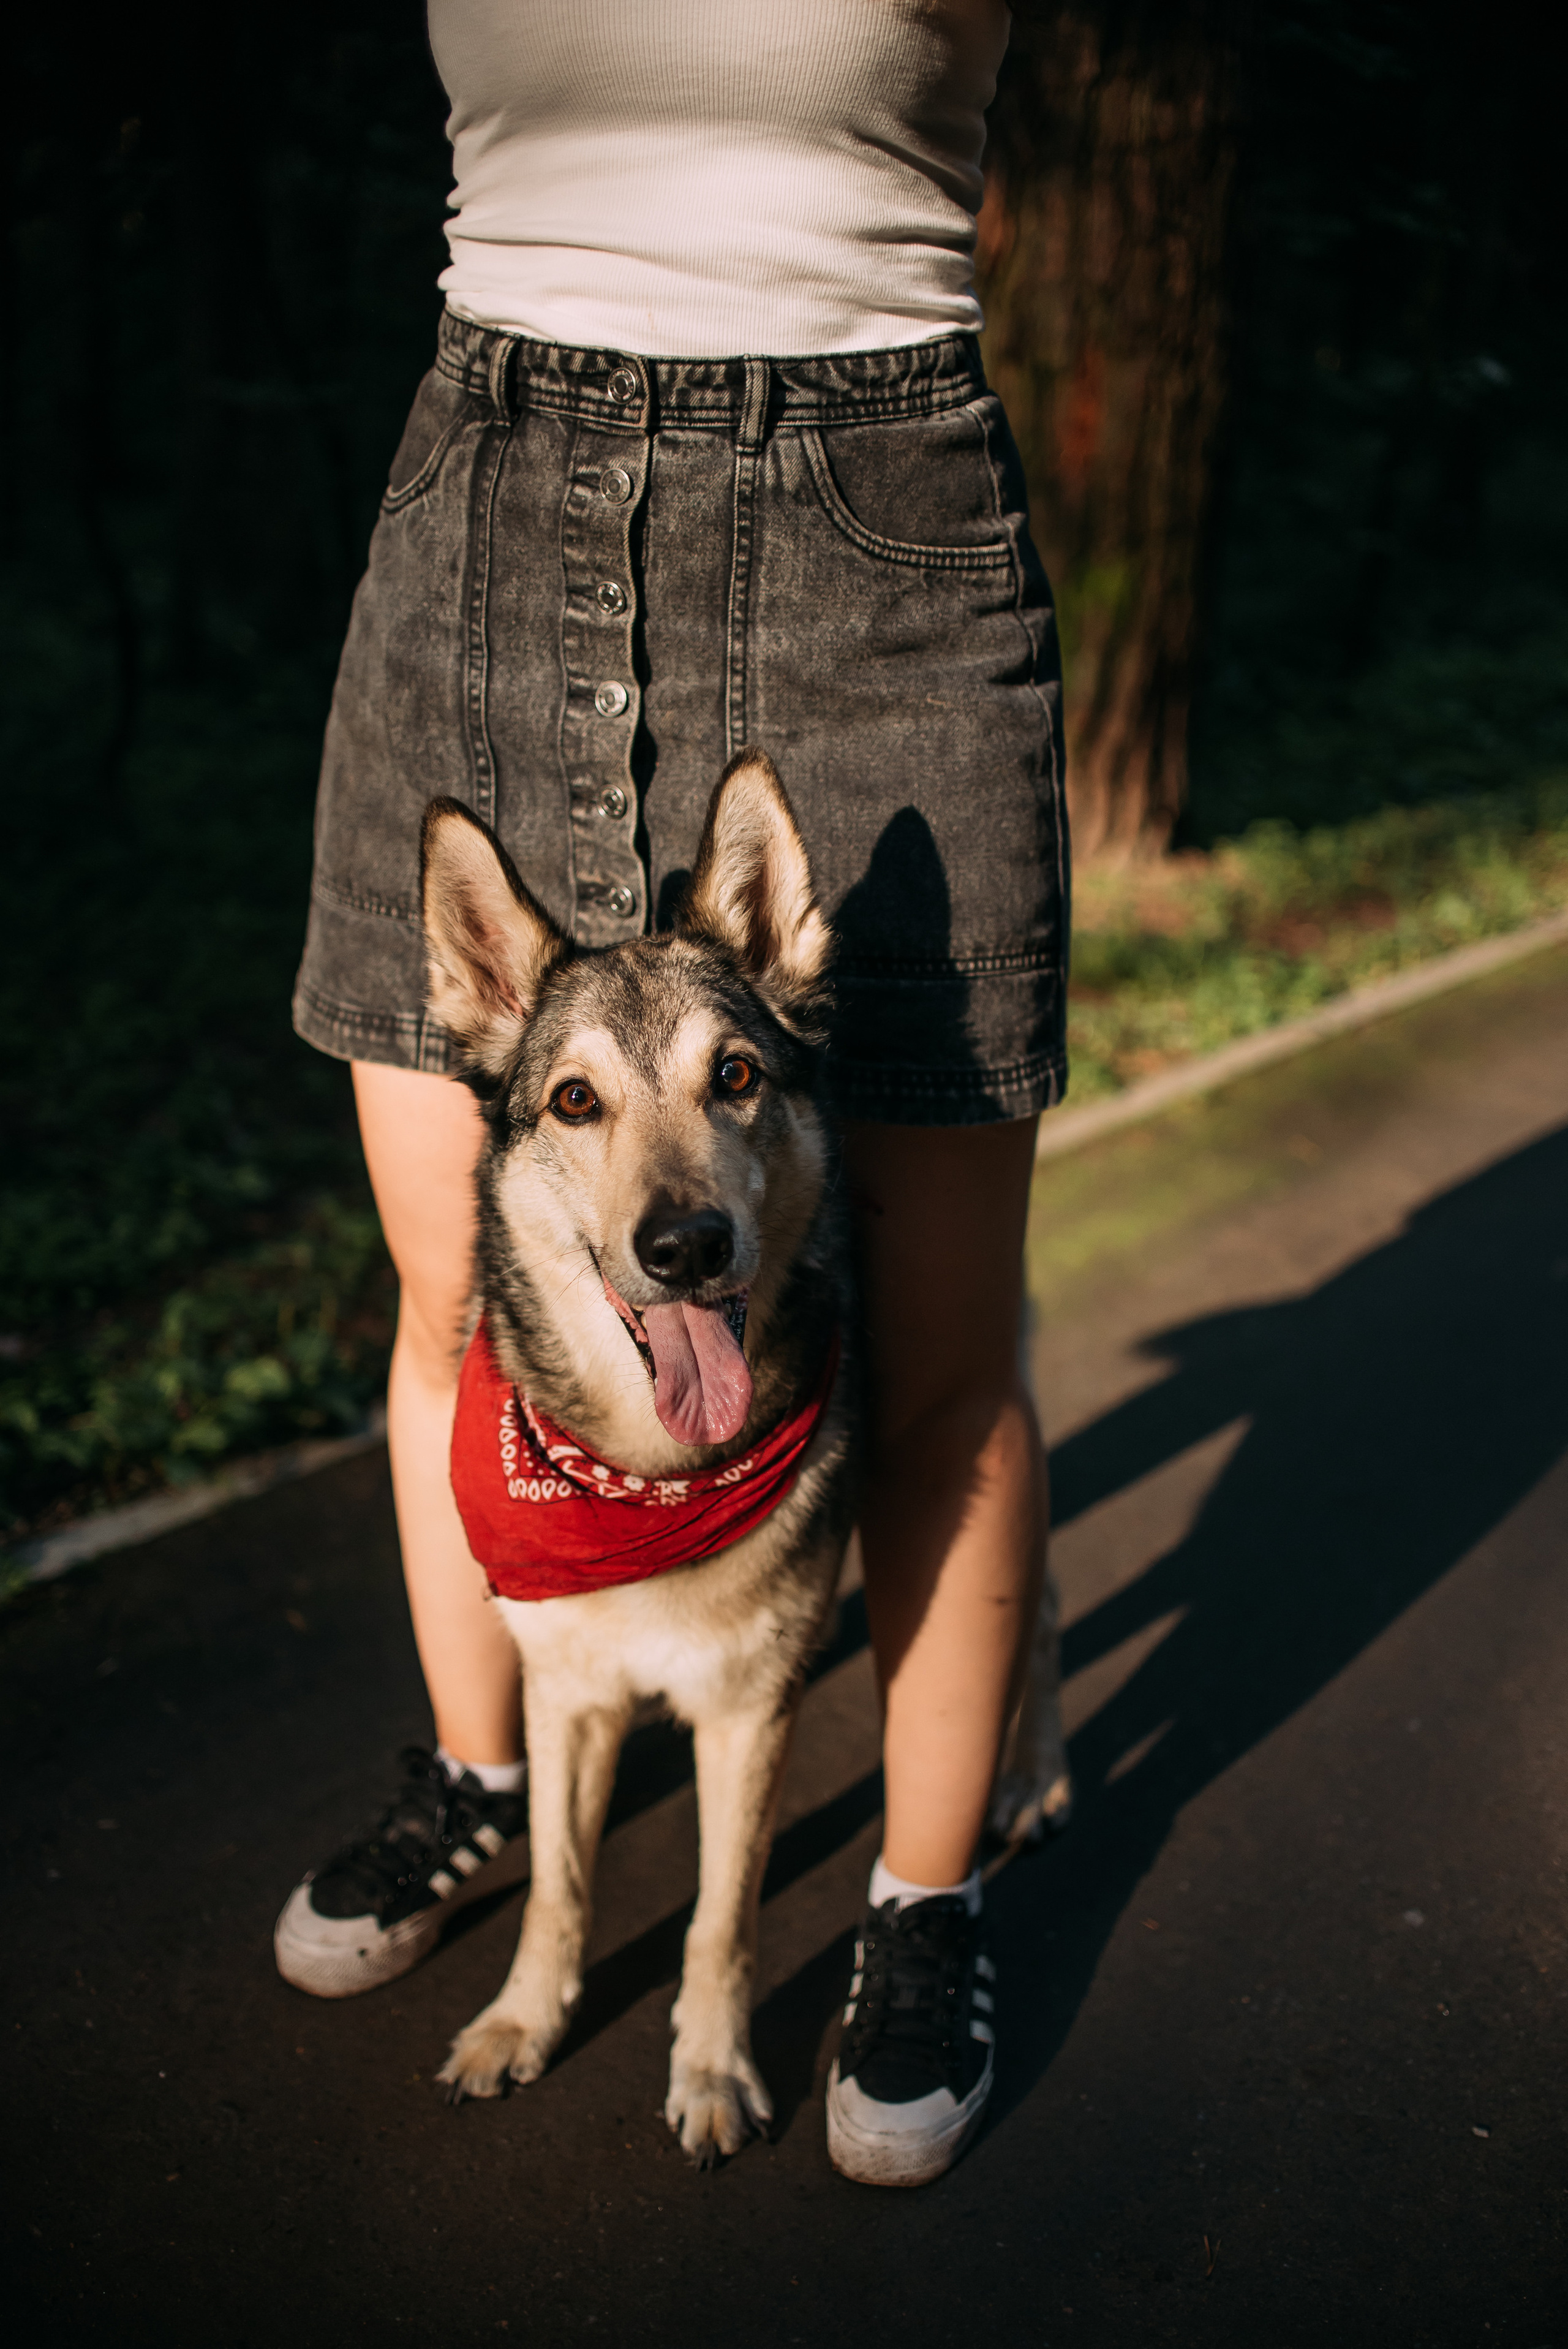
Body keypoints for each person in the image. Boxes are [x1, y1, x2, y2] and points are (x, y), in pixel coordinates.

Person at [277, 0, 1066, 2188]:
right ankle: (488, 1776)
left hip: (875, 490)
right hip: (493, 476)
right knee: (460, 1289)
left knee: (934, 1336)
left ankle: (917, 1899)